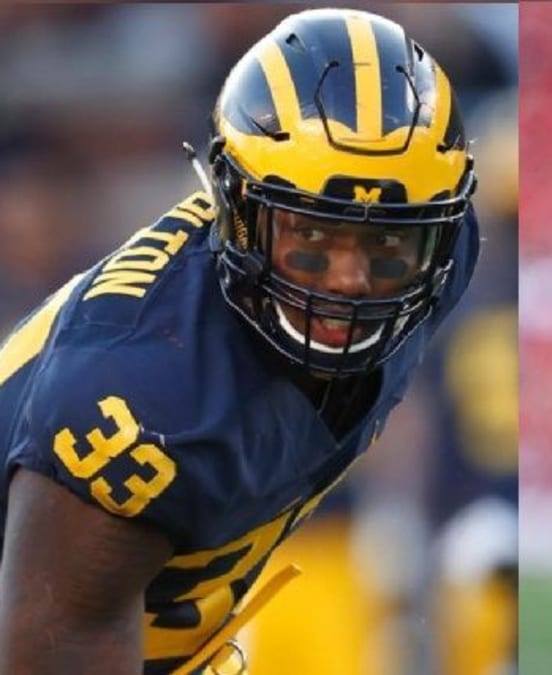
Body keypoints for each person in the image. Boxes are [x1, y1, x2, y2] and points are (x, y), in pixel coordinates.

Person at [0, 7, 479, 673]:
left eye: (388, 243)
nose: (350, 281)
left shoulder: (444, 252)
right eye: (311, 239)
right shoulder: (131, 400)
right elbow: (59, 644)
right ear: (236, 211)